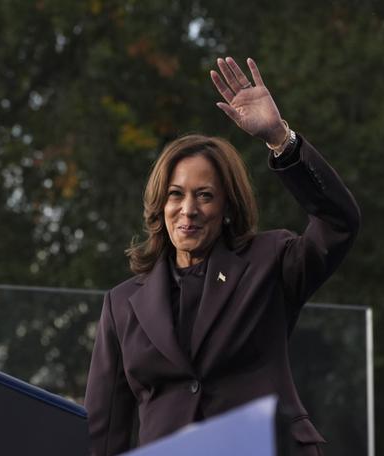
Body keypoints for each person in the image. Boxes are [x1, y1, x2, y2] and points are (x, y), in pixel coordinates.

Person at [84, 57, 360, 456]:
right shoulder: (122, 305)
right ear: (160, 204)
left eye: (205, 195)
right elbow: (102, 431)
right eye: (176, 194)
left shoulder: (271, 262)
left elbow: (339, 222)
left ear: (228, 207)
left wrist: (281, 140)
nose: (188, 209)